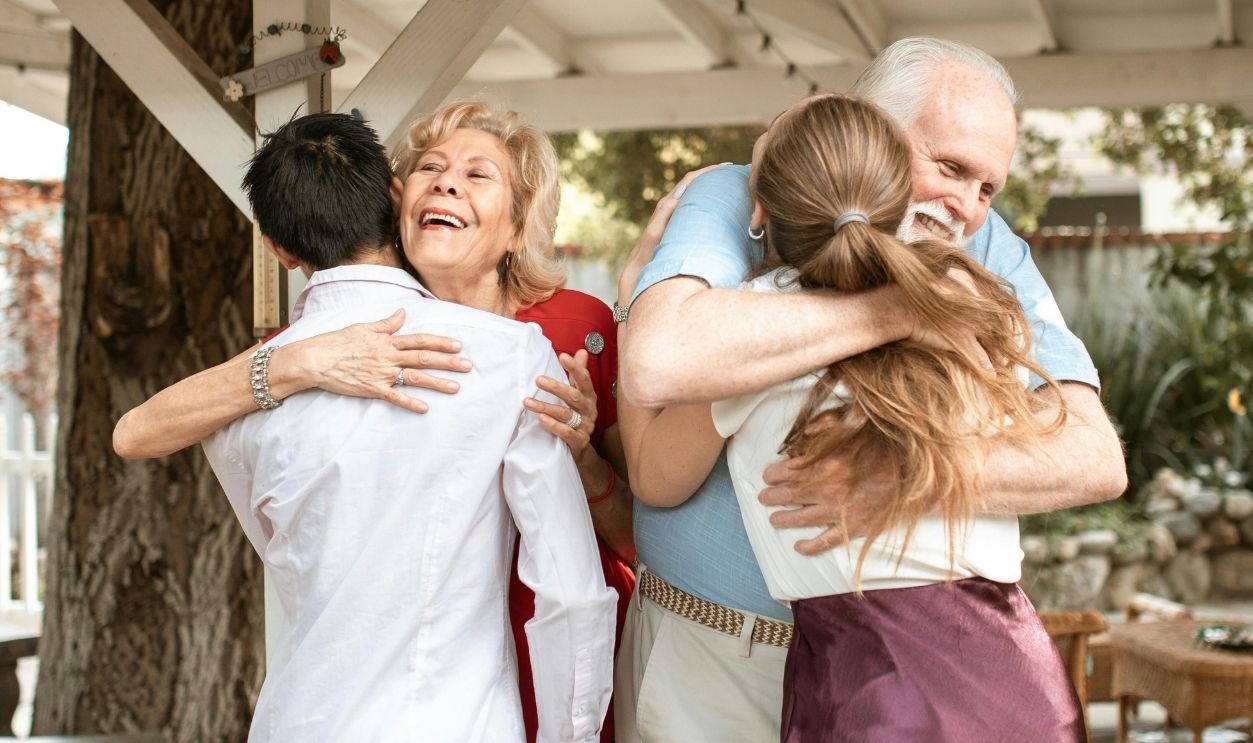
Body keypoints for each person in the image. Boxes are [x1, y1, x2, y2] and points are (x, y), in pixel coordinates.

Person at [612, 38, 1126, 742]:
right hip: (723, 660)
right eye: (948, 167)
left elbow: (1094, 455)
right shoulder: (738, 196)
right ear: (867, 125)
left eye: (986, 188)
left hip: (886, 684)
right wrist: (895, 310)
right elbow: (660, 361)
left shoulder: (981, 257)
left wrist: (907, 475)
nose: (968, 210)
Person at [112, 101, 636, 743]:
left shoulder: (243, 401)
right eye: (434, 167)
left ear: (275, 248)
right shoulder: (507, 360)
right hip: (459, 720)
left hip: (302, 719)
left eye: (477, 175)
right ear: (396, 198)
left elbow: (279, 541)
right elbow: (571, 595)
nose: (447, 183)